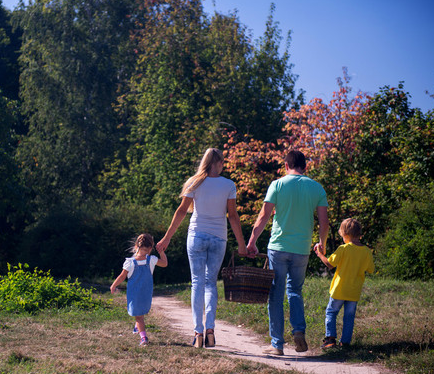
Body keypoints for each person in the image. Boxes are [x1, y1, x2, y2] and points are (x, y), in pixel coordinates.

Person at [156, 148, 247, 348]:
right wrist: (241, 244)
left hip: (196, 235)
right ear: (220, 162)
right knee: (210, 283)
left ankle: (197, 332)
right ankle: (211, 331)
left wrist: (167, 238)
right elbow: (232, 216)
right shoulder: (228, 185)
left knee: (197, 283)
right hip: (218, 238)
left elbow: (181, 211)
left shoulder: (194, 182)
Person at [247, 150, 329, 356]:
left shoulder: (277, 185)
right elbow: (324, 221)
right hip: (301, 248)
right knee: (295, 291)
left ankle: (277, 345)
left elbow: (264, 215)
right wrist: (321, 243)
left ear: (286, 165)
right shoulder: (317, 187)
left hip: (278, 247)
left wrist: (252, 241)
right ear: (305, 167)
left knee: (276, 294)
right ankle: (299, 331)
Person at [314, 218, 374, 349]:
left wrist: (319, 254)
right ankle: (345, 342)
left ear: (345, 235)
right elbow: (371, 269)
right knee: (349, 317)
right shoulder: (366, 251)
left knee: (331, 312)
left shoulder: (343, 249)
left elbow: (330, 264)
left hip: (339, 289)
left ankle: (330, 339)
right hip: (354, 290)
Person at [110, 233, 168, 346]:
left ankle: (143, 338)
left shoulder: (130, 262)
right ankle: (137, 327)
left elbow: (122, 276)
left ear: (136, 246)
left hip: (134, 294)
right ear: (151, 248)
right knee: (140, 314)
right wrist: (161, 252)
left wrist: (113, 285)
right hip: (146, 293)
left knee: (138, 317)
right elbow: (165, 263)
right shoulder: (152, 260)